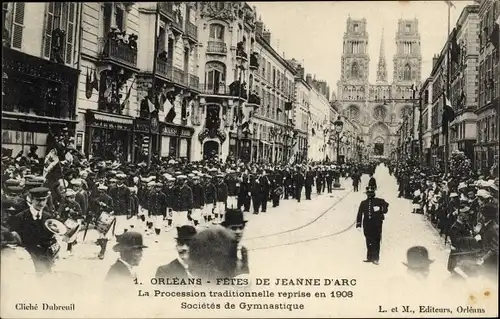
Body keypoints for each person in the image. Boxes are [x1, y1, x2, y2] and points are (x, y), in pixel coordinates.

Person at [7, 187, 60, 275]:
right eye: (38, 200)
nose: (41, 203)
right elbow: (14, 238)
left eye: (44, 200)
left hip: (46, 257)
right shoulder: (20, 217)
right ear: (31, 200)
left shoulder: (48, 216)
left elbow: (51, 238)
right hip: (28, 258)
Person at [356, 186, 389, 265]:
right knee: (368, 240)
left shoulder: (379, 201)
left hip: (376, 224)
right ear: (366, 194)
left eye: (371, 193)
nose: (370, 195)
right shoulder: (363, 203)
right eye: (368, 193)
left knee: (376, 241)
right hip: (367, 224)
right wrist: (358, 224)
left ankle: (376, 258)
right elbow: (360, 213)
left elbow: (386, 208)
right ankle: (370, 257)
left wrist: (380, 209)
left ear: (374, 193)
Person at [221, 208, 249, 276]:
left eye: (241, 228)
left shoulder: (242, 250)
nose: (238, 232)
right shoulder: (220, 249)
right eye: (233, 228)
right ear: (225, 229)